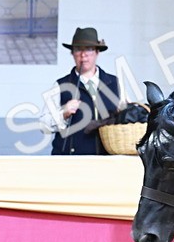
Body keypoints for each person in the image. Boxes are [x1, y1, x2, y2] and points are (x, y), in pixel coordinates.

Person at [44, 27, 123, 155]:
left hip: (107, 162)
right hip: (70, 162)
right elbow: (44, 125)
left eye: (89, 49)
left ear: (97, 52)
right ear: (72, 53)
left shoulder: (114, 83)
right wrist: (63, 113)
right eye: (78, 49)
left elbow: (130, 117)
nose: (83, 54)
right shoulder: (61, 85)